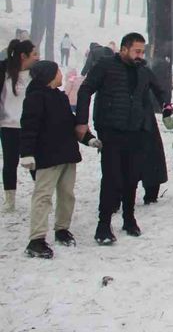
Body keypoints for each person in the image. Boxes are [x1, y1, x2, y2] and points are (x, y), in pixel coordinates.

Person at [75, 33, 170, 244]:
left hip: (135, 131)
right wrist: (82, 122)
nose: (140, 55)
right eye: (137, 51)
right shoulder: (106, 66)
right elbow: (85, 90)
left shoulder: (142, 71)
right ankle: (103, 224)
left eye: (142, 52)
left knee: (131, 177)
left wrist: (167, 104)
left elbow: (160, 90)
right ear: (124, 49)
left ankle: (129, 218)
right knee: (111, 178)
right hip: (111, 130)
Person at [20, 61, 101, 258]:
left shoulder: (60, 97)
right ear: (48, 75)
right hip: (46, 157)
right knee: (43, 196)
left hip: (67, 154)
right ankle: (36, 239)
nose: (61, 75)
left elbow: (71, 124)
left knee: (67, 194)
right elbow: (29, 128)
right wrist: (27, 153)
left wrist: (88, 139)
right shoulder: (34, 98)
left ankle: (62, 229)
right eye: (57, 72)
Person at [1, 39, 39, 212]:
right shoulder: (3, 70)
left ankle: (41, 195)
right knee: (10, 163)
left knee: (34, 162)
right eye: (34, 54)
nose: (37, 58)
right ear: (23, 56)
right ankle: (10, 200)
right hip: (8, 125)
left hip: (29, 126)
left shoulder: (36, 74)